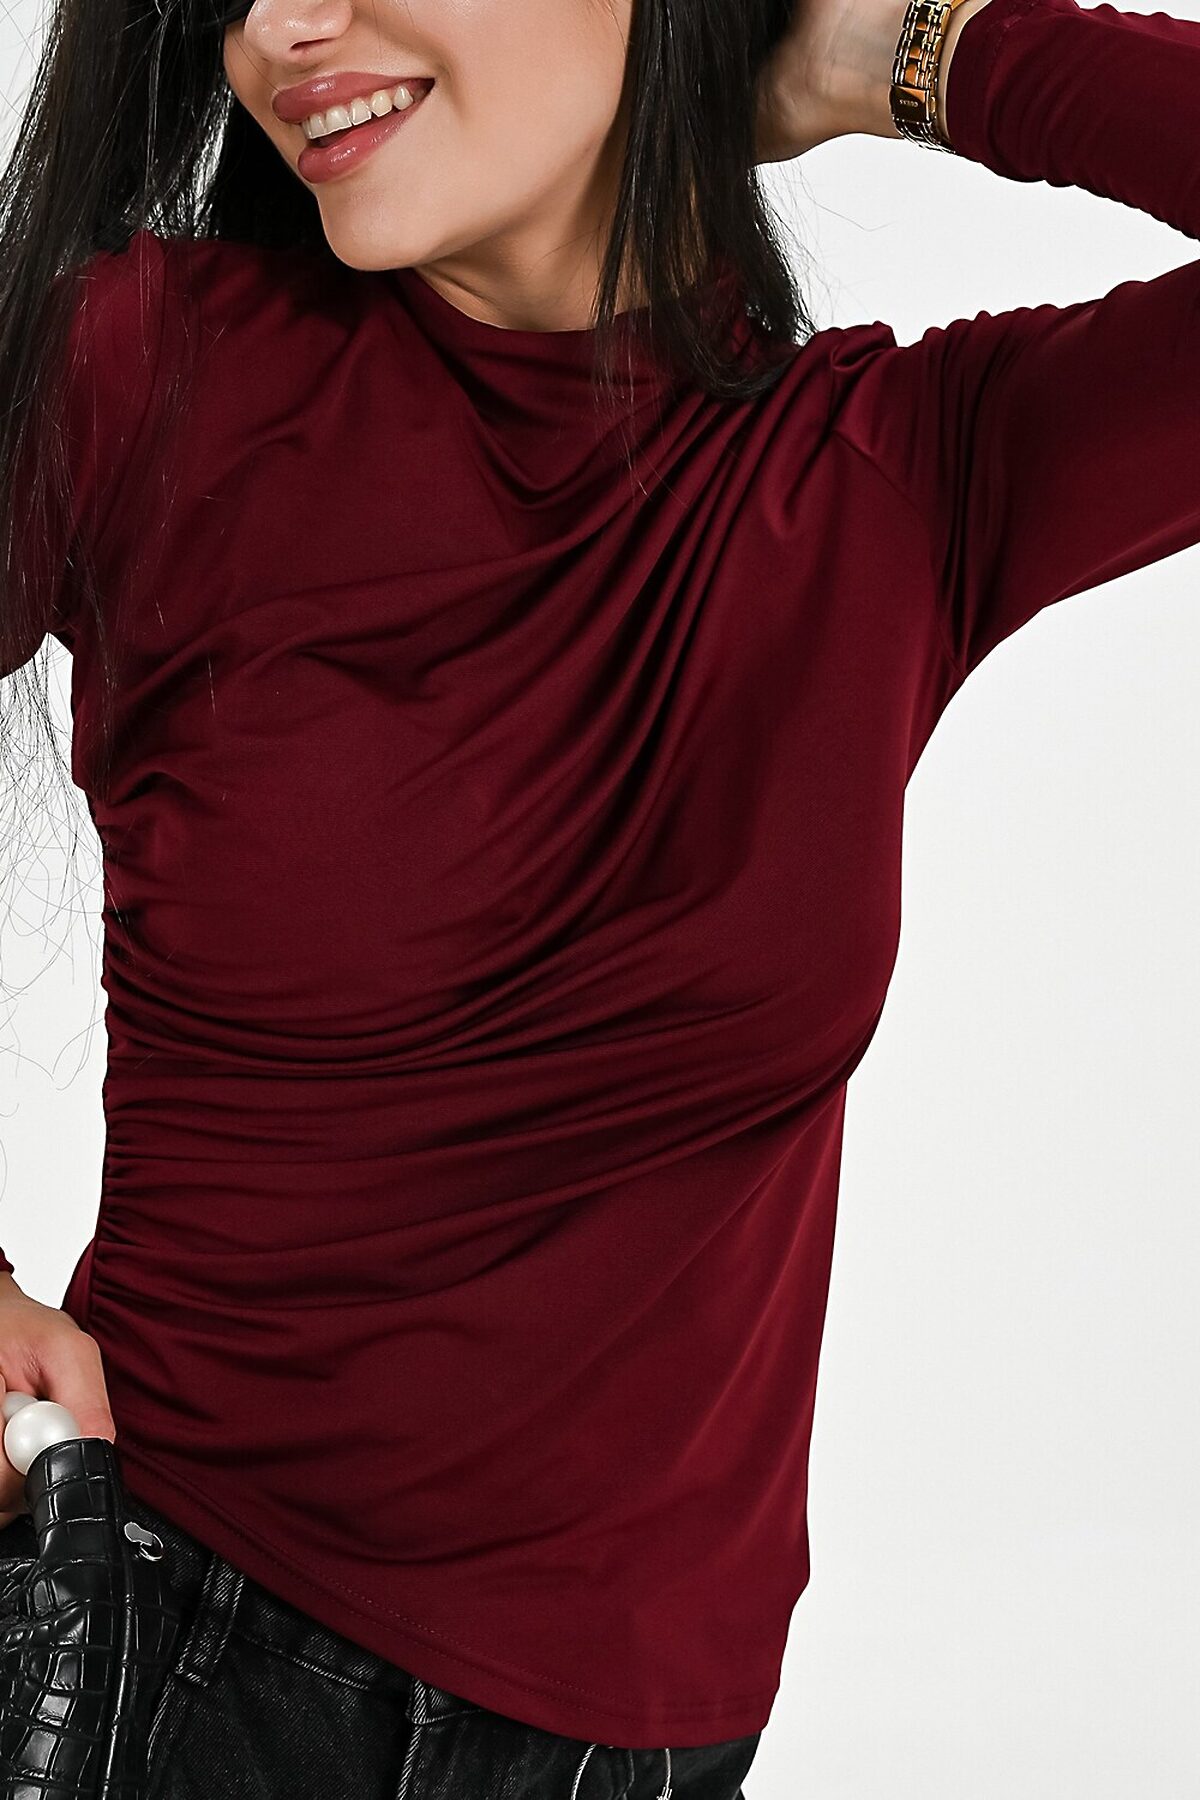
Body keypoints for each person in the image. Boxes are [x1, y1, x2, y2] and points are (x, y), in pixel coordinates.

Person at [0, 0, 1196, 1792]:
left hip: (653, 1735)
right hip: (158, 1656)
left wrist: (896, 51)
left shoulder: (891, 473)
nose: (281, 30)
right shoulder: (151, 372)